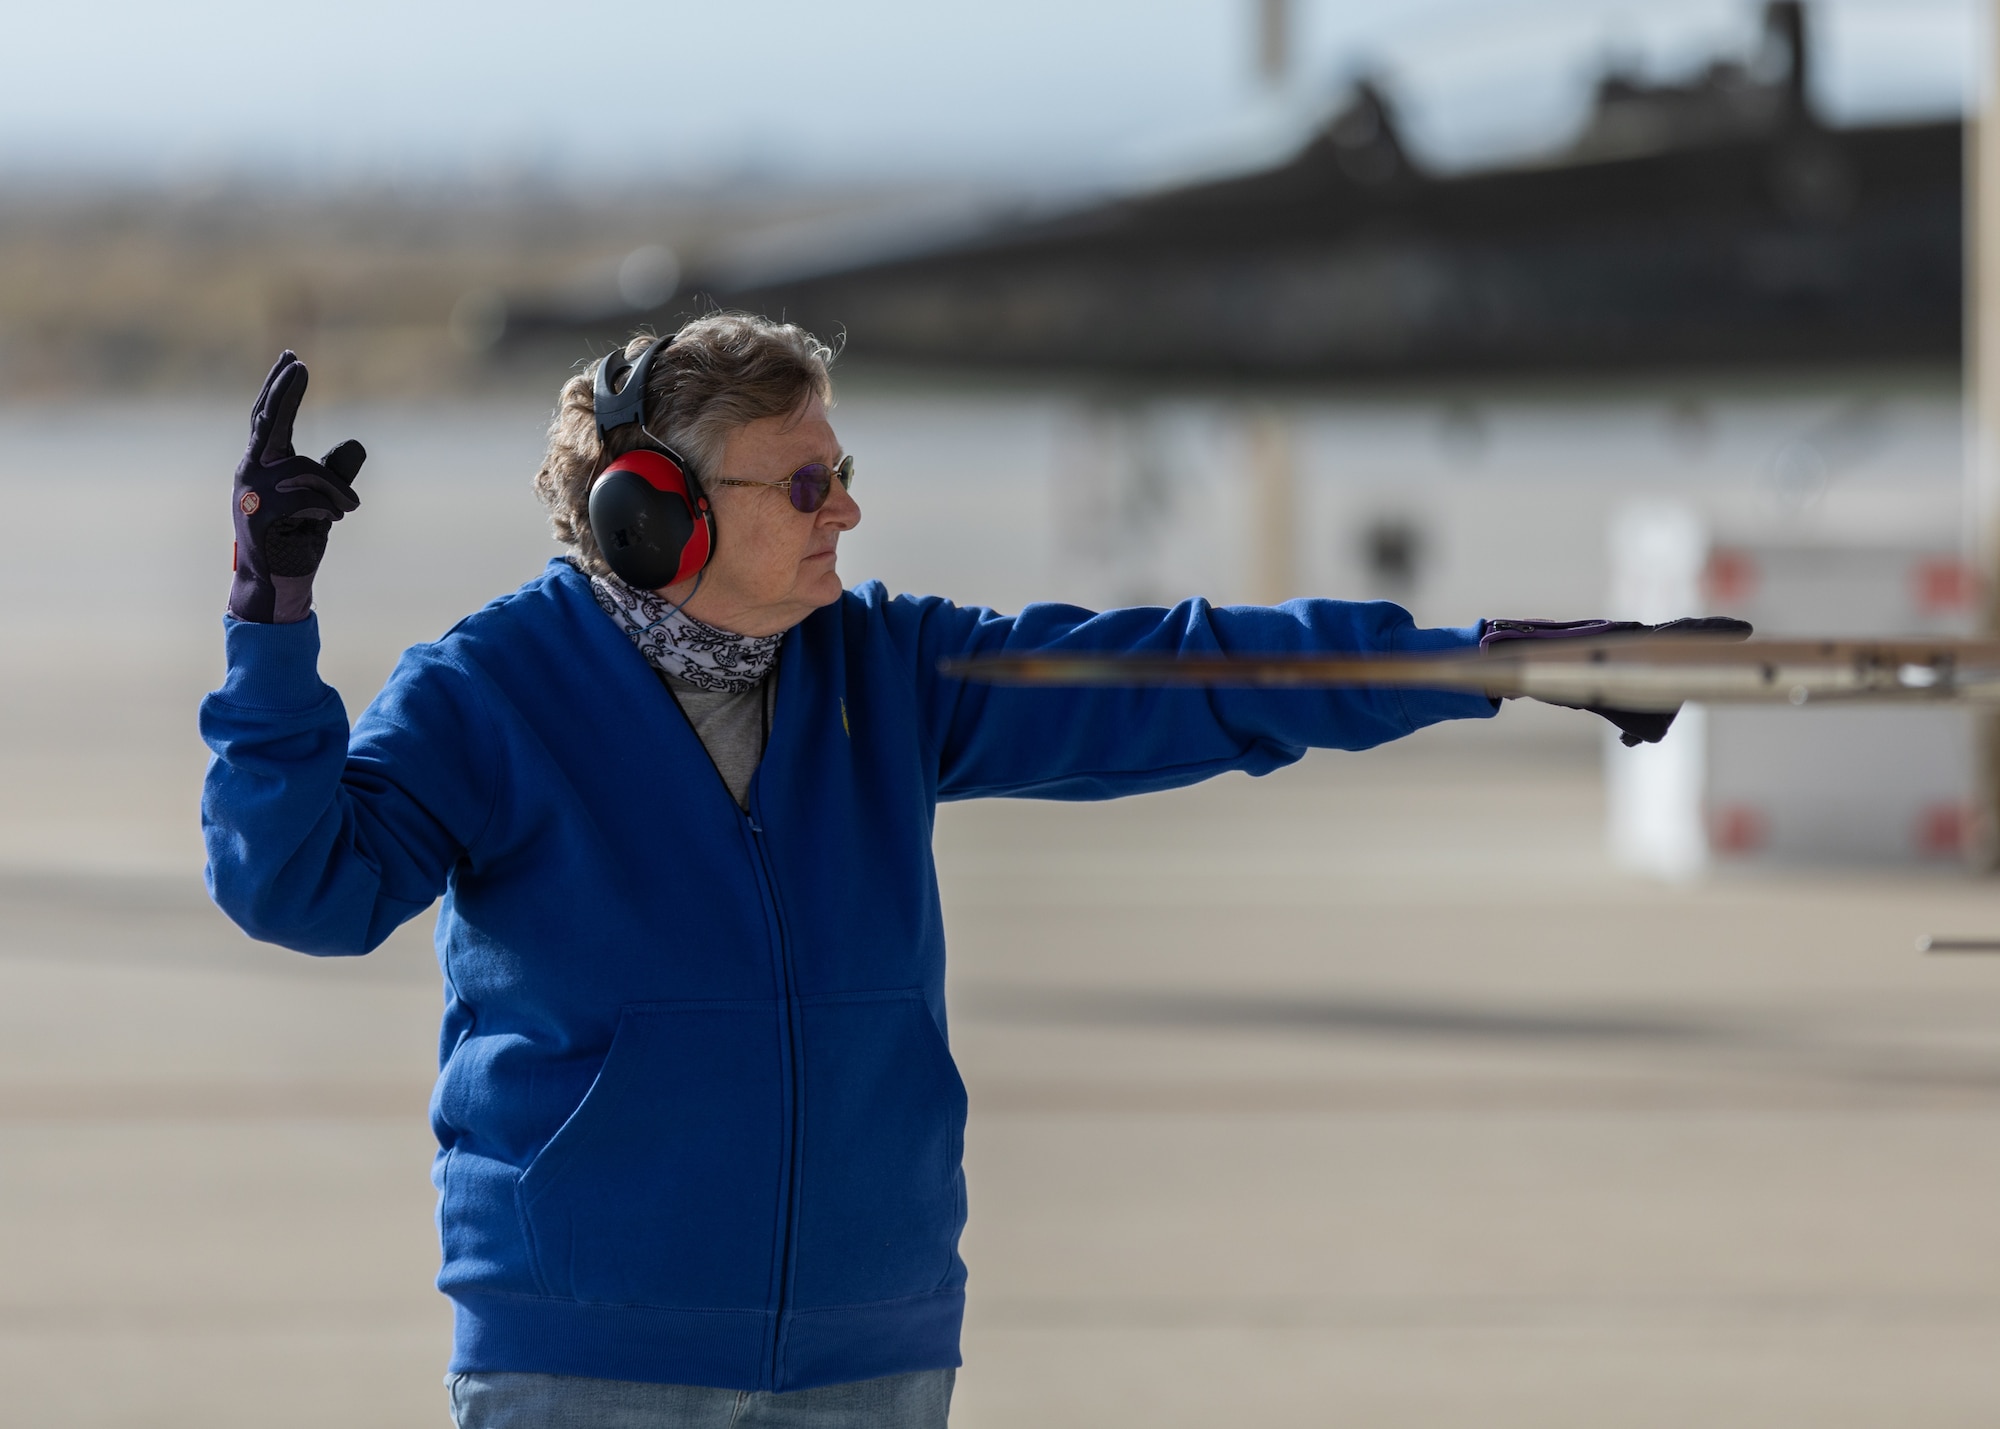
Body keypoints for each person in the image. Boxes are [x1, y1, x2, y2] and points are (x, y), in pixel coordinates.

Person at [200, 314, 1720, 1429]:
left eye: (842, 470)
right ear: (651, 516)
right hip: (589, 1348)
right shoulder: (495, 691)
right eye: (801, 485)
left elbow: (1192, 675)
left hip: (872, 1345)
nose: (844, 511)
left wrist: (1513, 663)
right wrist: (273, 620)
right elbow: (303, 888)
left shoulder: (889, 666)